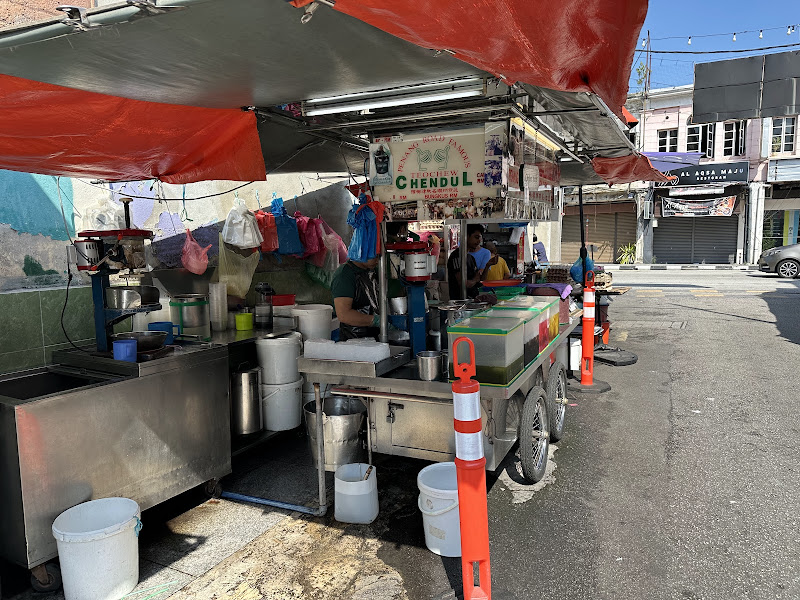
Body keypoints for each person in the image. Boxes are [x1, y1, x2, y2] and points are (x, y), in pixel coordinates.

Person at [331, 255, 382, 341]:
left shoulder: (372, 271)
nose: (377, 260)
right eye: (374, 256)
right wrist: (376, 321)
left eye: (379, 256)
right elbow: (344, 315)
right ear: (362, 251)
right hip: (353, 341)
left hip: (374, 338)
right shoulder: (344, 275)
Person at [447, 224, 485, 299]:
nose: (479, 241)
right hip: (459, 302)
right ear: (466, 236)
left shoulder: (470, 258)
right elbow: (463, 283)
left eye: (480, 238)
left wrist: (487, 266)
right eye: (476, 237)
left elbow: (479, 280)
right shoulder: (456, 256)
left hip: (472, 300)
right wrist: (475, 280)